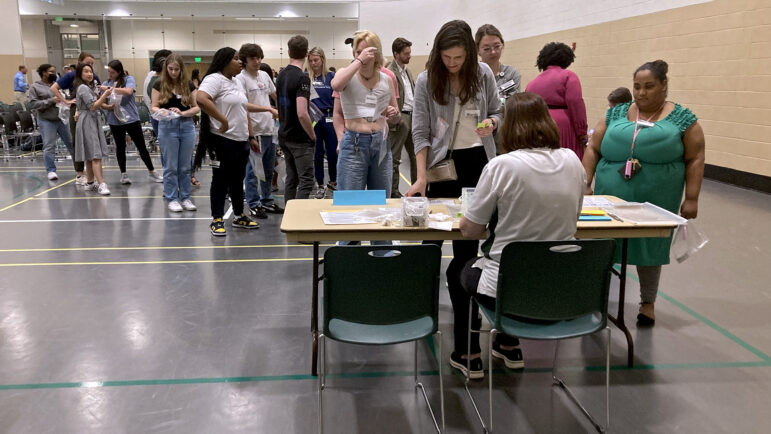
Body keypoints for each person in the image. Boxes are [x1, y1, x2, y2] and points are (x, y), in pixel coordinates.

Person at [451, 92, 586, 378]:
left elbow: (470, 230)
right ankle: (508, 345)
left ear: (509, 126)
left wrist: (494, 225)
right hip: (561, 292)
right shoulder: (573, 161)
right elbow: (572, 218)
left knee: (458, 271)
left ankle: (468, 353)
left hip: (506, 293)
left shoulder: (501, 166)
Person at [407, 19, 501, 373]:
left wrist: (492, 124)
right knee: (428, 243)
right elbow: (420, 131)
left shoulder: (483, 74)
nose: (452, 63)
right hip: (440, 166)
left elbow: (497, 112)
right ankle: (422, 305)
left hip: (478, 163)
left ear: (470, 53)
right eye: (446, 57)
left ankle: (465, 326)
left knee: (466, 247)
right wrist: (420, 178)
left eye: (459, 57)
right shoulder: (425, 79)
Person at [583, 59, 705, 325]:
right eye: (637, 86)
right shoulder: (616, 113)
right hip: (610, 192)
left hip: (658, 195)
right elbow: (593, 148)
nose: (641, 93)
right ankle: (594, 297)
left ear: (664, 85)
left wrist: (692, 197)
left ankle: (647, 302)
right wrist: (586, 182)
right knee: (602, 245)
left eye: (649, 86)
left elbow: (695, 157)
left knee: (650, 247)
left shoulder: (683, 119)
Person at [195, 47, 259, 236]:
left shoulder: (237, 81)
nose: (240, 62)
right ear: (224, 61)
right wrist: (222, 120)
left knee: (238, 180)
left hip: (241, 140)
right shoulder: (214, 79)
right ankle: (217, 219)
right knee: (220, 180)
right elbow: (201, 98)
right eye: (236, 59)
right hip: (222, 140)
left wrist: (251, 135)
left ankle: (239, 215)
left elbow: (243, 109)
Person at [331, 30, 400, 198]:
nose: (363, 56)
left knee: (380, 200)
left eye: (368, 51)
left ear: (376, 54)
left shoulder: (387, 80)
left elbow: (396, 117)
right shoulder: (345, 74)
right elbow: (336, 85)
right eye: (358, 51)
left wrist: (394, 114)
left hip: (381, 143)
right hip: (354, 142)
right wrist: (359, 60)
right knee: (350, 201)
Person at [235, 43, 281, 219]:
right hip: (255, 130)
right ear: (245, 60)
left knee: (269, 170)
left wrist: (283, 109)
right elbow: (244, 104)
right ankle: (253, 204)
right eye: (253, 58)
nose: (257, 61)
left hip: (269, 130)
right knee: (254, 171)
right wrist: (269, 109)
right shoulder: (241, 78)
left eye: (259, 57)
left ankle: (267, 200)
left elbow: (275, 95)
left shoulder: (263, 75)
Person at [152, 53, 200, 212]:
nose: (173, 72)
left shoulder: (188, 85)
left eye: (176, 69)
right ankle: (172, 197)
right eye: (171, 69)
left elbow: (196, 107)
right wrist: (163, 112)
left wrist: (183, 113)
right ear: (166, 69)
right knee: (171, 166)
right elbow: (154, 107)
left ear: (181, 70)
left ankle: (186, 197)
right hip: (167, 127)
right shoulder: (159, 84)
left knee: (185, 166)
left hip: (186, 126)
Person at [104, 59, 163, 185]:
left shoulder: (128, 79)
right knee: (120, 147)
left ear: (119, 71)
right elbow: (101, 100)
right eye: (109, 72)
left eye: (112, 72)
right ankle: (123, 174)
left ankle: (152, 171)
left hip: (131, 119)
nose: (110, 74)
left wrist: (110, 89)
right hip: (115, 120)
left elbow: (129, 91)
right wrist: (106, 106)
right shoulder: (106, 82)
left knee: (141, 146)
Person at [525, 42, 588, 160]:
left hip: (537, 126)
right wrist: (582, 131)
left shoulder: (531, 83)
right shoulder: (569, 76)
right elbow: (575, 102)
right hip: (562, 125)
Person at [276, 35, 316, 202]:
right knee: (306, 180)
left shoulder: (281, 75)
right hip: (299, 138)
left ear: (288, 52)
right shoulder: (302, 77)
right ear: (307, 54)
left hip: (284, 134)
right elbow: (302, 112)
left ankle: (289, 216)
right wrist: (312, 134)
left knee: (292, 178)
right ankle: (298, 217)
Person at [50, 52, 100, 186]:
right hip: (78, 111)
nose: (90, 68)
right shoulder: (71, 76)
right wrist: (65, 101)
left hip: (92, 112)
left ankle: (92, 176)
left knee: (92, 143)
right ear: (80, 63)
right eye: (88, 64)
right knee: (78, 141)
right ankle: (79, 173)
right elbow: (54, 88)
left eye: (92, 65)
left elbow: (98, 93)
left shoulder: (94, 77)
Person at [28, 64, 74, 181]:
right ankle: (51, 170)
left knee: (71, 143)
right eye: (51, 72)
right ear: (43, 73)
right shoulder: (35, 87)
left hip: (62, 119)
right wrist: (51, 100)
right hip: (46, 120)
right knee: (49, 146)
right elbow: (33, 104)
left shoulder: (58, 84)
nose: (54, 73)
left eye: (54, 71)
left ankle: (79, 167)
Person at [73, 63, 112, 196]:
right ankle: (101, 184)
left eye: (91, 71)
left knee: (90, 155)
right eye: (86, 71)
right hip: (88, 121)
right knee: (95, 154)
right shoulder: (83, 88)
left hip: (90, 119)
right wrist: (104, 95)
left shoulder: (87, 87)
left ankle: (90, 182)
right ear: (80, 74)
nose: (89, 74)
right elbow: (93, 106)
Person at [386, 37, 418, 198]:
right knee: (395, 158)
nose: (409, 56)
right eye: (406, 53)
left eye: (410, 53)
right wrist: (394, 117)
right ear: (396, 54)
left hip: (412, 116)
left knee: (416, 156)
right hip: (400, 117)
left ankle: (416, 188)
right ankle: (393, 190)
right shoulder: (389, 71)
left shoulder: (407, 70)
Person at [307, 46, 338, 198]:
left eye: (316, 60)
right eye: (311, 60)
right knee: (317, 152)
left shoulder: (332, 76)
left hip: (330, 116)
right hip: (314, 119)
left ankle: (333, 181)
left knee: (333, 152)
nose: (313, 63)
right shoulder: (307, 77)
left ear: (323, 60)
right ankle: (319, 184)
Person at [475, 24, 521, 100]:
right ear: (478, 50)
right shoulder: (471, 75)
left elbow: (513, 106)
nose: (493, 52)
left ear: (502, 45)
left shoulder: (512, 73)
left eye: (497, 46)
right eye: (487, 49)